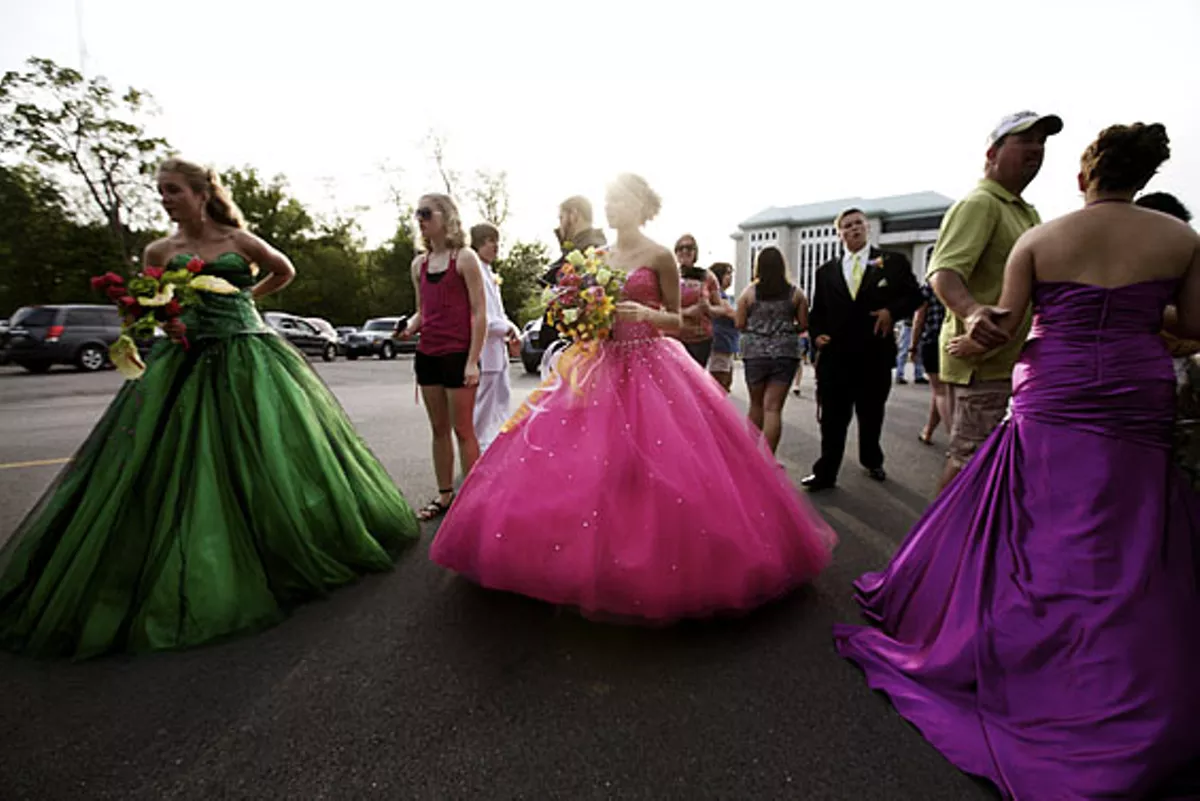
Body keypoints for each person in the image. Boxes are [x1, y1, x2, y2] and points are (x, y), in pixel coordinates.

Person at [834, 123, 1200, 800]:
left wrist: (974, 326)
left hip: (1056, 389)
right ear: (1141, 177)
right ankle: (1123, 664)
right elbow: (1195, 321)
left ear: (1084, 174)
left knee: (1040, 521)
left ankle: (1025, 642)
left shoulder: (1040, 237)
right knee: (1130, 527)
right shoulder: (1179, 239)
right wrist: (1144, 310)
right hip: (1132, 387)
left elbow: (1004, 316)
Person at [0, 158, 419, 660]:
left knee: (266, 455)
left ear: (201, 193)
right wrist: (144, 335)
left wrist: (246, 298)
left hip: (246, 355)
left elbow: (284, 270)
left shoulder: (237, 240)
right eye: (160, 191)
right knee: (183, 463)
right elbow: (146, 306)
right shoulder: (159, 249)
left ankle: (276, 549)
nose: (165, 198)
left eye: (173, 190)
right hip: (186, 359)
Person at [428, 174, 836, 622]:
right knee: (585, 463)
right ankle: (578, 556)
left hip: (651, 364)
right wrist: (580, 318)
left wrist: (648, 314)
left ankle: (654, 558)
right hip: (598, 363)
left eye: (619, 199)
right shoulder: (596, 256)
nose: (611, 206)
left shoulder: (660, 255)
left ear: (642, 205)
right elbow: (583, 311)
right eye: (608, 199)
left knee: (657, 461)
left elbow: (684, 323)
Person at [928, 110, 1062, 492]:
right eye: (1026, 140)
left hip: (1010, 362)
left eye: (1043, 142)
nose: (1037, 149)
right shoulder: (981, 203)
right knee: (971, 464)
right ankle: (937, 547)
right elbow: (944, 271)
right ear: (993, 152)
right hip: (981, 363)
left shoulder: (1025, 211)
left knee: (992, 469)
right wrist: (970, 312)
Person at [802, 208, 922, 490]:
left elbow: (915, 296)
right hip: (836, 358)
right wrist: (817, 336)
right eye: (847, 226)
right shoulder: (826, 271)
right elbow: (817, 312)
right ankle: (825, 472)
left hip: (874, 355)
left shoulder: (893, 262)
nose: (853, 228)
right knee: (832, 419)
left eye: (858, 223)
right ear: (839, 233)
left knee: (871, 414)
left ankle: (872, 460)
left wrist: (891, 311)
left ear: (867, 227)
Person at [399, 194, 488, 521]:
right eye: (417, 213)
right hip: (428, 354)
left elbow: (480, 312)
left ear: (446, 217)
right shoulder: (418, 264)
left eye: (425, 213)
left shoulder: (464, 258)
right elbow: (422, 311)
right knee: (438, 430)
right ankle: (445, 496)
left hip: (457, 354)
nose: (420, 219)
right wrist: (408, 328)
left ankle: (475, 499)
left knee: (463, 429)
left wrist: (472, 360)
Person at [736, 246, 806, 454]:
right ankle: (768, 461)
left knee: (756, 405)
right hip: (785, 353)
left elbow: (740, 323)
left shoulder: (749, 293)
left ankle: (750, 458)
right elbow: (803, 324)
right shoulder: (796, 293)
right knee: (773, 408)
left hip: (755, 354)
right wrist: (784, 329)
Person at [469, 222, 521, 452]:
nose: (495, 246)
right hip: (484, 348)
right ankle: (476, 446)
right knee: (484, 404)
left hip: (498, 348)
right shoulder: (475, 271)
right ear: (478, 243)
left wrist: (512, 328)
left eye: (496, 241)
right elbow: (480, 315)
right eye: (490, 241)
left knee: (501, 399)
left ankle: (496, 445)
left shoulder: (489, 272)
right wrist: (507, 328)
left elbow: (498, 311)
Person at [536, 196, 608, 352]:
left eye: (561, 217)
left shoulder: (592, 252)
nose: (560, 225)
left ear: (574, 214)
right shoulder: (582, 248)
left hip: (580, 346)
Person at [671, 234, 722, 367]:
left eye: (689, 247)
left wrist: (708, 308)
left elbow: (720, 308)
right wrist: (687, 312)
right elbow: (659, 308)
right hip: (673, 339)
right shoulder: (668, 275)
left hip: (700, 340)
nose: (685, 251)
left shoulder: (708, 276)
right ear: (675, 252)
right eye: (680, 248)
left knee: (694, 383)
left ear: (695, 252)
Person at [911, 283, 949, 444]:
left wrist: (913, 346)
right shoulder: (962, 282)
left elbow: (919, 318)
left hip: (933, 341)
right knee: (942, 392)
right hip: (955, 341)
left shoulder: (929, 288)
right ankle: (928, 431)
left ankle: (956, 439)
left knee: (941, 392)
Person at [706, 262, 739, 392]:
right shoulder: (718, 296)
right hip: (721, 342)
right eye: (727, 273)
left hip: (727, 344)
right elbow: (733, 315)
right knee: (719, 383)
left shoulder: (724, 295)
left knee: (725, 382)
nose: (730, 277)